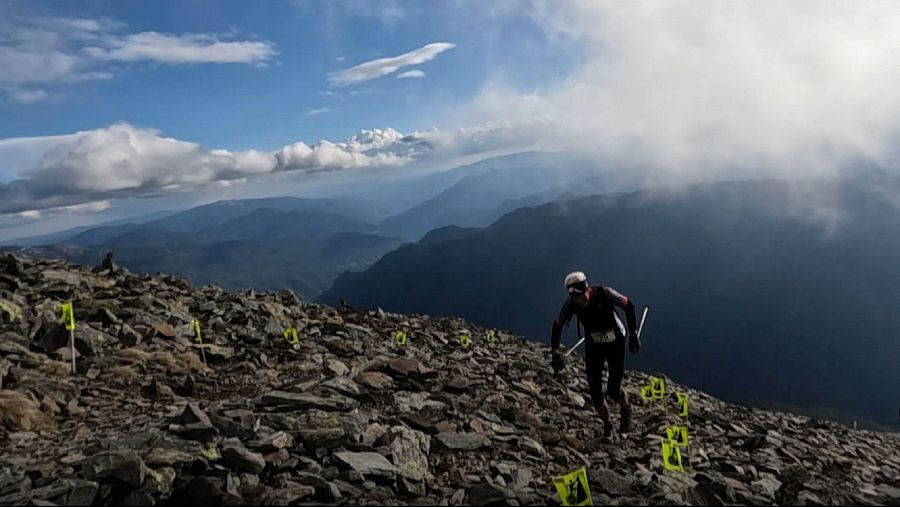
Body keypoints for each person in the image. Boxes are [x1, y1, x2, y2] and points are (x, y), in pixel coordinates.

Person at [550, 271, 640, 436]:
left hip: (615, 341)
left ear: (587, 289)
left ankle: (626, 408)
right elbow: (558, 325)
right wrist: (555, 352)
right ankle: (608, 425)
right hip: (594, 343)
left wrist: (633, 334)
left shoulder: (604, 294)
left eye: (582, 296)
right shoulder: (571, 305)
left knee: (613, 389)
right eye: (576, 298)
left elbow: (628, 305)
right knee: (595, 390)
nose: (580, 301)